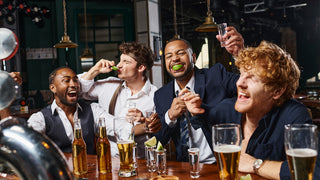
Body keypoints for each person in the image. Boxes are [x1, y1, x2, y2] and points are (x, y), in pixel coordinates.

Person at [183, 41, 320, 179]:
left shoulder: (294, 115)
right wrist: (195, 107)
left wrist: (256, 165)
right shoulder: (227, 108)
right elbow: (204, 114)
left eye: (252, 78)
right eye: (241, 74)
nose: (240, 83)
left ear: (277, 91)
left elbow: (313, 172)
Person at [153, 26, 244, 164]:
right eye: (169, 56)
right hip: (184, 167)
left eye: (180, 53)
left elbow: (250, 86)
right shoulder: (161, 95)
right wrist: (170, 116)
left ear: (193, 57)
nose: (175, 59)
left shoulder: (216, 76)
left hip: (219, 163)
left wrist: (240, 55)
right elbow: (158, 141)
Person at [78, 42, 161, 158]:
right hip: (109, 160)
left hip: (141, 162)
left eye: (126, 62)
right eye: (120, 60)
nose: (119, 65)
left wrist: (145, 120)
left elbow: (162, 132)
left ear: (141, 67)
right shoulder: (109, 85)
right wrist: (95, 70)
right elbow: (76, 91)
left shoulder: (156, 95)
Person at [28, 67, 114, 154]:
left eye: (75, 80)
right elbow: (27, 141)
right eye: (66, 81)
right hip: (61, 167)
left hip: (90, 167)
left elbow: (117, 127)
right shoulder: (40, 118)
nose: (73, 85)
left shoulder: (93, 110)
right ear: (53, 88)